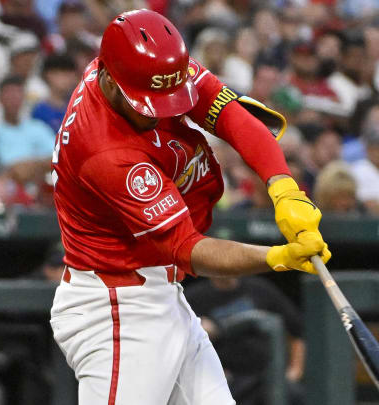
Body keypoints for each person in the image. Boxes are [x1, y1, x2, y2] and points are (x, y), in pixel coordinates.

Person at [48, 10, 330, 405]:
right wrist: (277, 257)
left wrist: (284, 187)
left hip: (161, 292)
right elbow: (189, 248)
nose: (162, 112)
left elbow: (233, 116)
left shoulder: (149, 64)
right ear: (109, 82)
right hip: (116, 310)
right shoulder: (104, 151)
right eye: (149, 105)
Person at [184, 276, 306, 405]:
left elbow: (296, 332)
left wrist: (295, 372)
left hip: (269, 374)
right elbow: (181, 346)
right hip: (226, 379)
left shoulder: (260, 288)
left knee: (295, 395)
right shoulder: (194, 297)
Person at [0, 75, 56, 185]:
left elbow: (58, 156)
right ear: (0, 98)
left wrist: (32, 165)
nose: (13, 99)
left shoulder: (38, 127)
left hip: (39, 185)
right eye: (9, 94)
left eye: (17, 94)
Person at [32, 53, 79, 133]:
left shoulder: (78, 105)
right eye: (64, 74)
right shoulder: (39, 110)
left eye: (71, 74)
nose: (69, 79)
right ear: (49, 75)